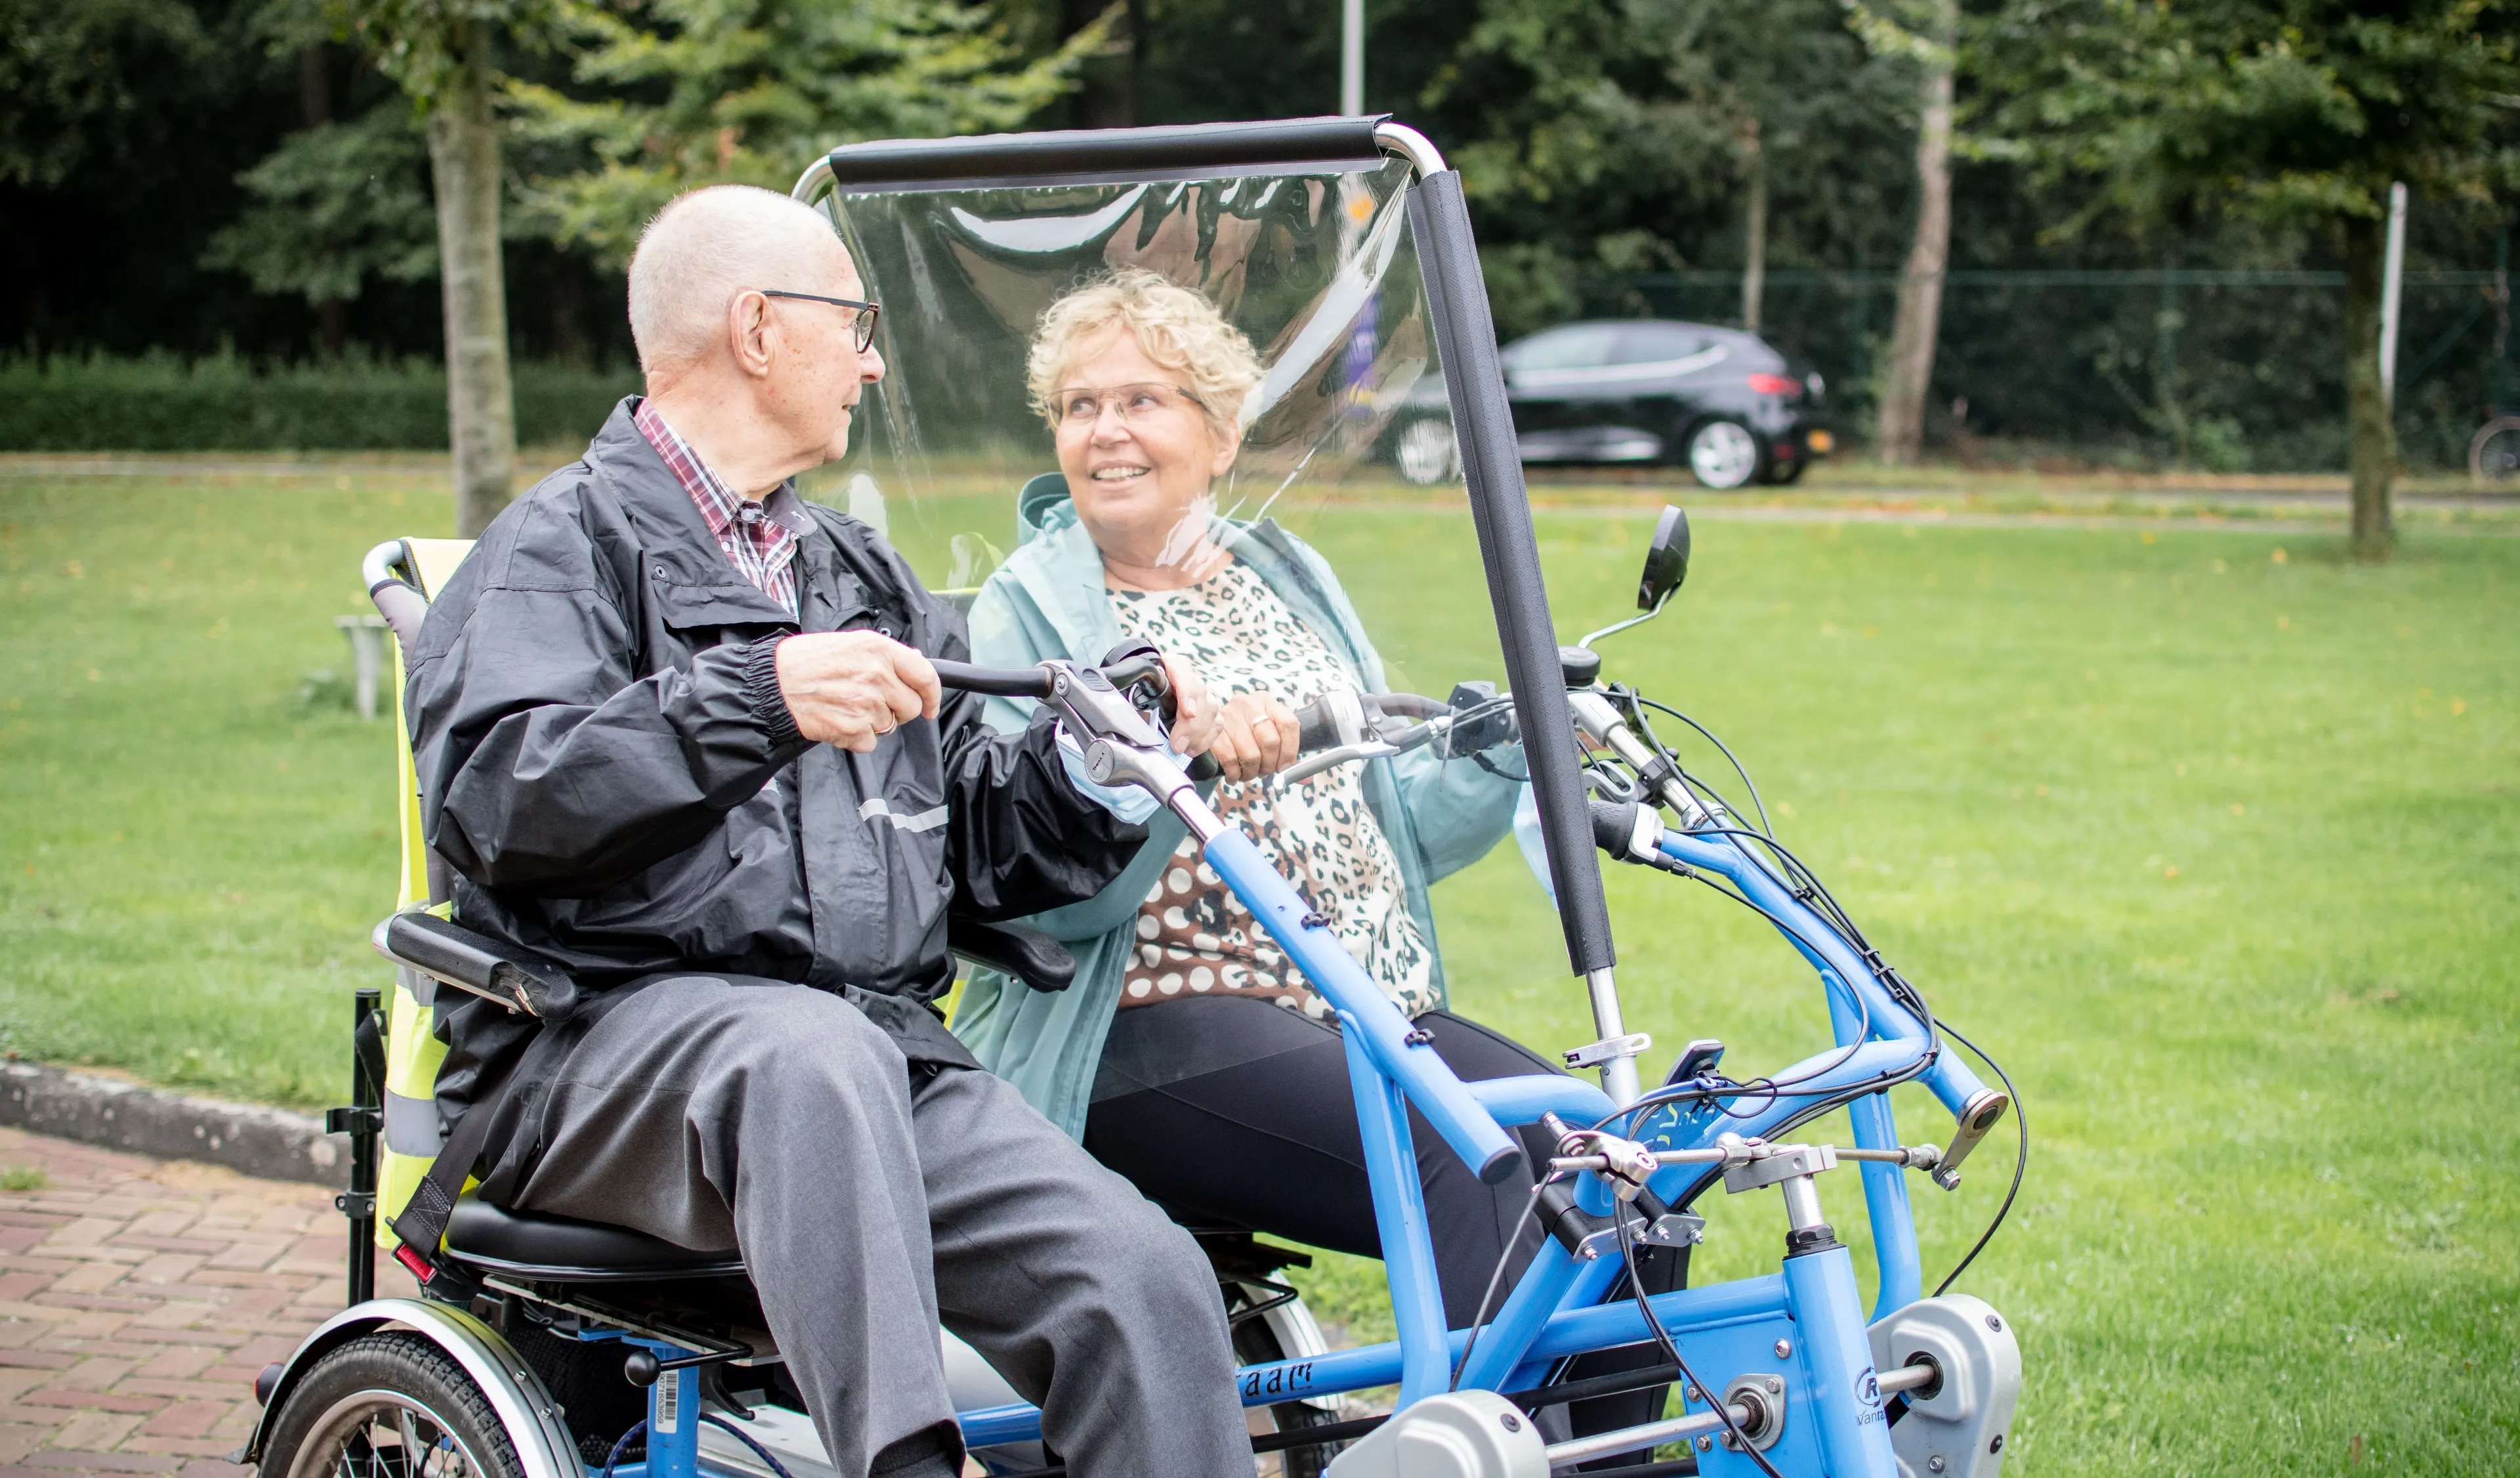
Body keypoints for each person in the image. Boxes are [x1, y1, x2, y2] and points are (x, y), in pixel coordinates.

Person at [405, 190, 1250, 1478]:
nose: (871, 356)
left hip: (871, 1055)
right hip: (592, 1052)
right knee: (804, 1053)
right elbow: (503, 799)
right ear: (757, 329)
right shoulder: (553, 551)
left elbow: (979, 834)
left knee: (1141, 1281)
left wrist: (1091, 762)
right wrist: (760, 694)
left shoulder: (857, 573)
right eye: (852, 323)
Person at [954, 268, 1556, 1328]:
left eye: (1142, 400)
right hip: (1145, 1029)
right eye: (1080, 407)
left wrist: (1504, 743)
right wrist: (1183, 763)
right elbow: (1037, 893)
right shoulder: (1035, 607)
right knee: (1476, 1166)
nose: (1106, 432)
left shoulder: (1282, 569)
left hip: (1355, 1008)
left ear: (1223, 434)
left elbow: (1387, 822)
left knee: (1596, 1156)